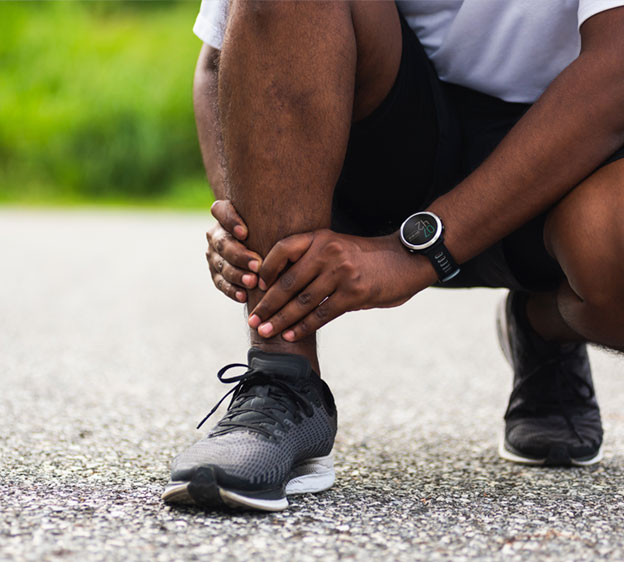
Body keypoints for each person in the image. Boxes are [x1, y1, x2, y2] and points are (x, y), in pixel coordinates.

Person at [162, 0, 624, 511]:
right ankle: (283, 380)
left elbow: (617, 68)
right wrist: (241, 218)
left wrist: (418, 252)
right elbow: (220, 56)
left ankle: (545, 324)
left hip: (575, 152)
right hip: (387, 140)